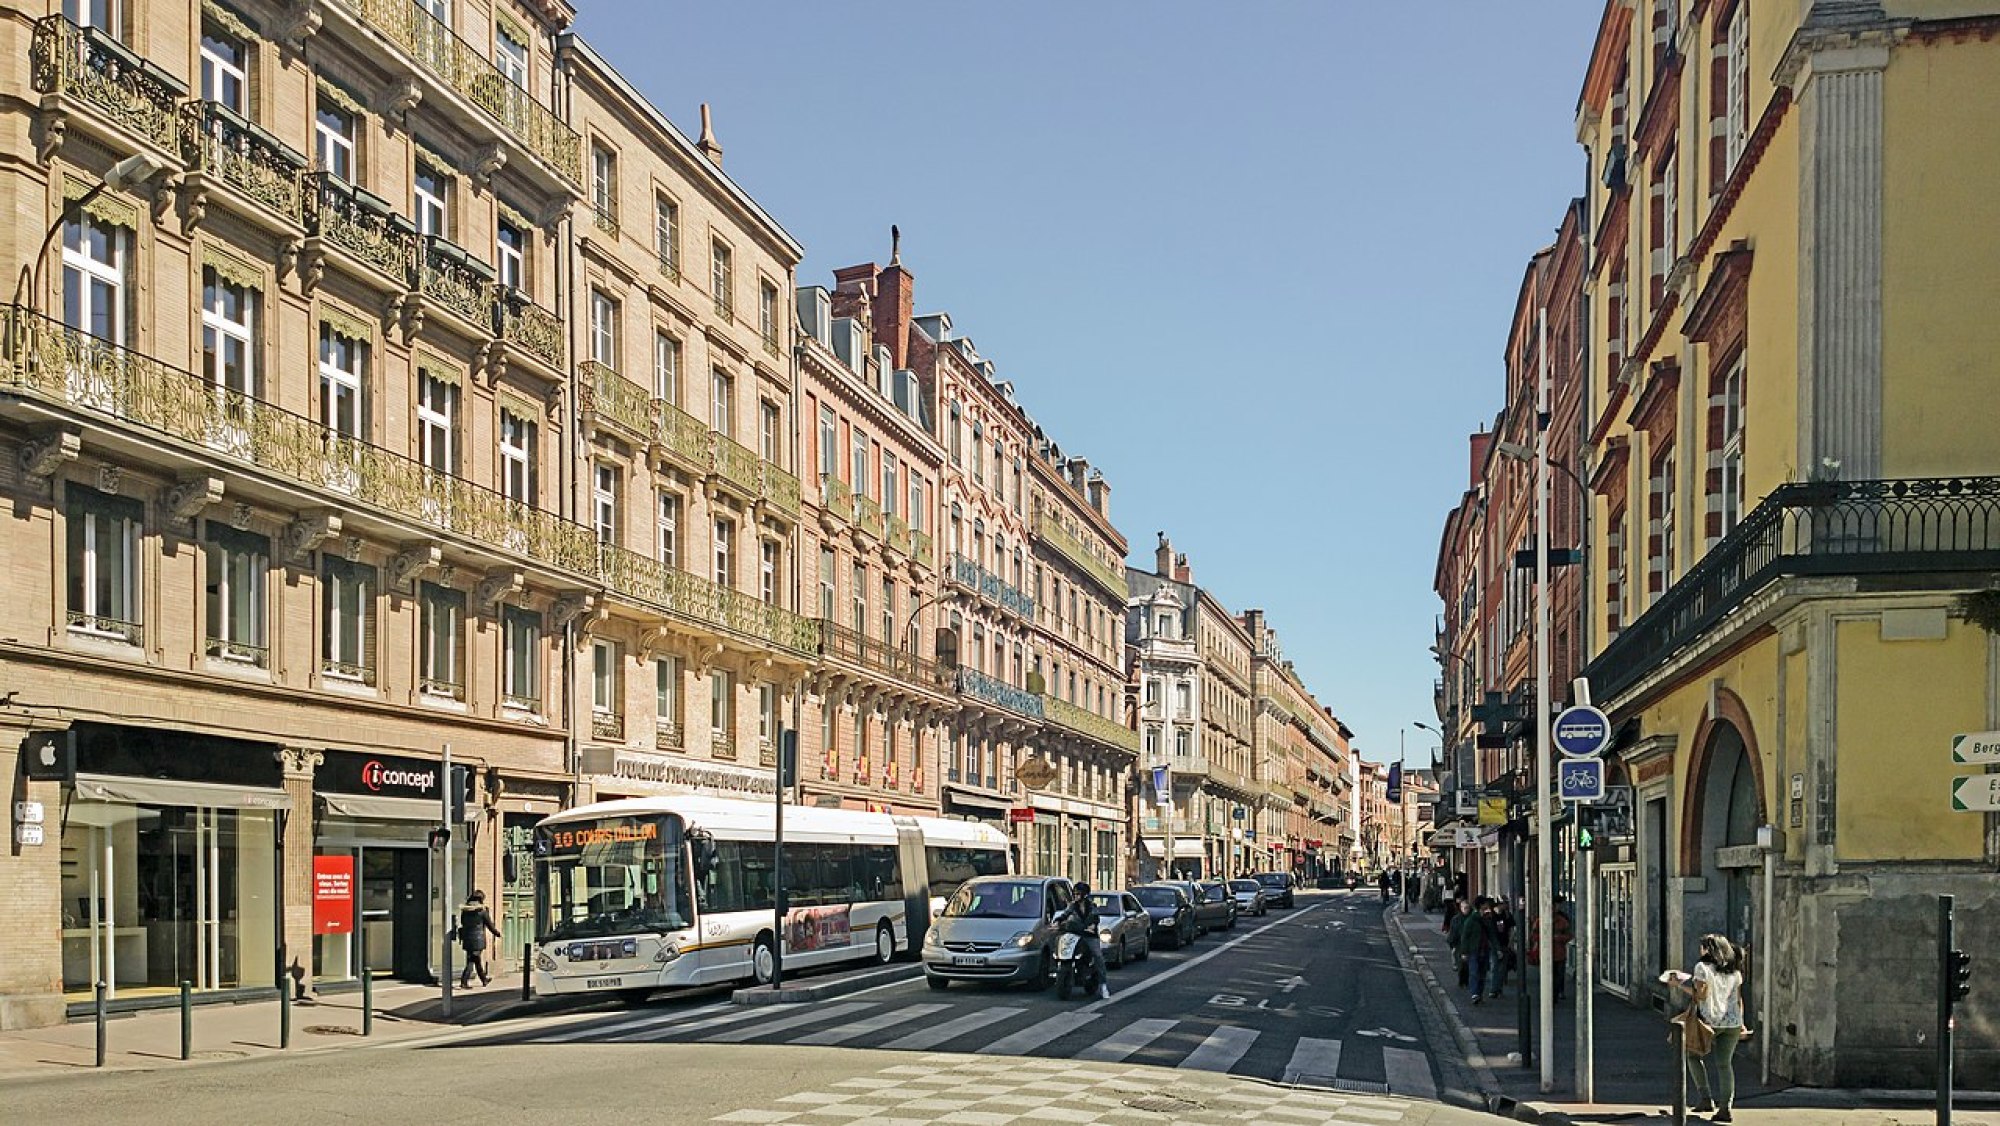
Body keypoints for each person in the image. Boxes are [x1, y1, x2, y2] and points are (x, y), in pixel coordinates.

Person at [1671, 934, 1747, 1123]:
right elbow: (1738, 999)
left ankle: (1705, 1098)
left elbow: (1701, 996)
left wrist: (1679, 986)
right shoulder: (1734, 971)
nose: (1700, 950)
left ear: (1708, 949)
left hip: (1708, 1021)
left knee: (1692, 1055)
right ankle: (1725, 1108)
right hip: (1732, 1022)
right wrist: (1742, 1022)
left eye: (1702, 946)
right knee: (1724, 1064)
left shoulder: (1702, 968)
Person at [1059, 883, 1109, 1000]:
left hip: (1089, 936)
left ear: (1085, 895)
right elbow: (1065, 914)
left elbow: (1095, 918)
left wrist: (1091, 926)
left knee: (1098, 956)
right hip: (1075, 933)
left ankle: (1103, 985)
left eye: (1078, 894)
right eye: (1075, 893)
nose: (1075, 896)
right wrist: (1057, 921)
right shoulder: (1072, 906)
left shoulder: (1092, 906)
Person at [456, 890, 504, 988]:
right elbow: (489, 925)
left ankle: (484, 979)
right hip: (478, 939)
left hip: (467, 938)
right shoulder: (482, 911)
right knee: (471, 961)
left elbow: (463, 923)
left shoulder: (465, 911)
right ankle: (464, 981)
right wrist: (497, 934)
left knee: (475, 960)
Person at [1453, 897, 1497, 1002]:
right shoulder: (1471, 920)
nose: (1487, 908)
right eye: (1485, 906)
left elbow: (1492, 935)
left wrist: (1497, 948)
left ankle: (1479, 993)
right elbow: (1465, 937)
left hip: (1484, 950)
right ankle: (1475, 993)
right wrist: (1464, 952)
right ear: (1480, 906)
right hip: (1474, 950)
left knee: (1482, 973)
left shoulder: (1487, 920)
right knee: (1474, 972)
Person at [1530, 899, 1574, 1001]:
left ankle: (1556, 993)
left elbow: (1569, 935)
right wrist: (1544, 938)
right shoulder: (1540, 921)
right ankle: (1551, 994)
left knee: (1558, 976)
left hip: (1559, 953)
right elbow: (1534, 935)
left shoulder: (1562, 921)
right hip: (1546, 953)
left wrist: (1558, 938)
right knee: (1548, 976)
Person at [1486, 898, 1517, 998]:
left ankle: (1498, 989)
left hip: (1504, 944)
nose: (1506, 905)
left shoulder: (1507, 915)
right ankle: (1494, 989)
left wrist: (1510, 942)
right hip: (1494, 945)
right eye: (1505, 903)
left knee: (1502, 968)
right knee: (1495, 967)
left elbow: (1512, 928)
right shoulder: (1490, 916)